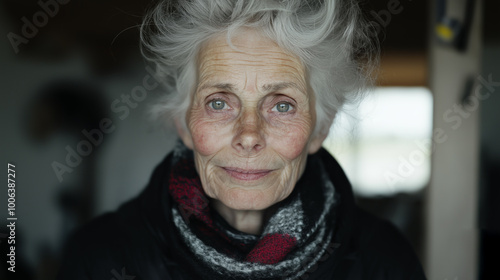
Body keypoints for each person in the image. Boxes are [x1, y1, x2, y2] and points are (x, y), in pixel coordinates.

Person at [57, 0, 426, 279]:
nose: (249, 136)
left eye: (282, 106)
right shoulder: (99, 256)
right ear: (183, 124)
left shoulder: (384, 259)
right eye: (218, 103)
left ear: (320, 128)